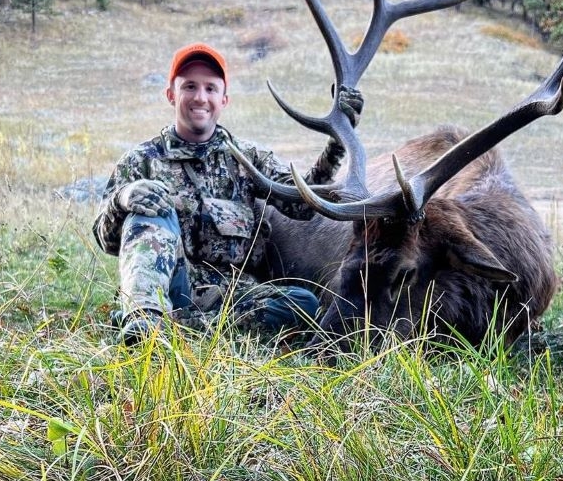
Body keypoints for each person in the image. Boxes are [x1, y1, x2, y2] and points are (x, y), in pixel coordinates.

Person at [93, 42, 362, 344]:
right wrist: (123, 198)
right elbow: (106, 238)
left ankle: (174, 328)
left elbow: (302, 206)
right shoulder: (141, 159)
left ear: (224, 99)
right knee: (149, 204)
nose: (200, 97)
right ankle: (145, 319)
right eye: (189, 86)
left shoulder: (248, 159)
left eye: (210, 88)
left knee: (303, 304)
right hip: (166, 285)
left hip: (232, 294)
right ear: (171, 95)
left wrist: (337, 143)